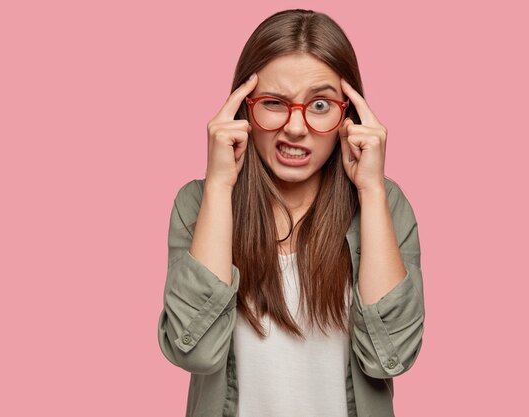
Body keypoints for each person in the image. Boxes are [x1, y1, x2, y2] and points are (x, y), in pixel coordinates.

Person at [157, 8, 425, 417]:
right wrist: (218, 185)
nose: (295, 127)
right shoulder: (199, 203)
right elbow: (194, 351)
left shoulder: (385, 206)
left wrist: (371, 189)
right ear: (243, 108)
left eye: (319, 104)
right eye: (274, 103)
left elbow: (392, 356)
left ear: (348, 115)